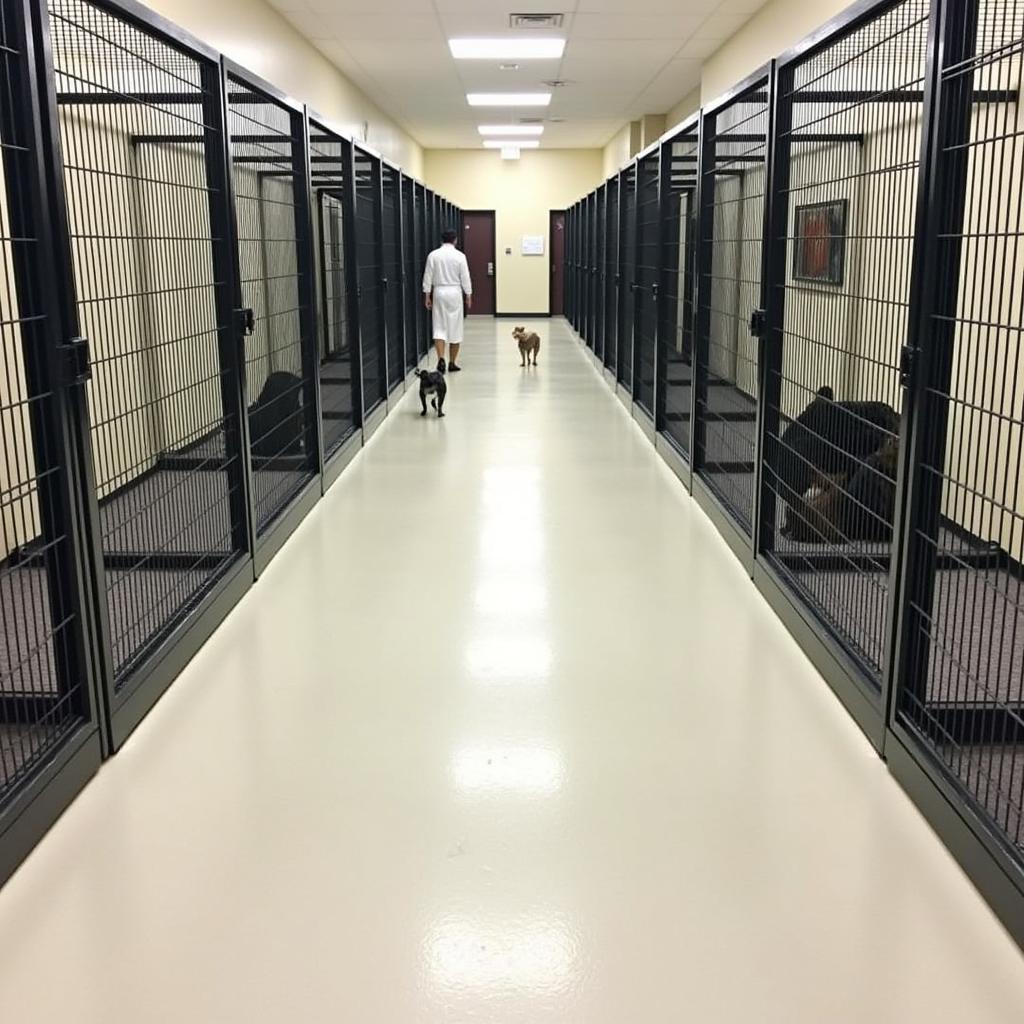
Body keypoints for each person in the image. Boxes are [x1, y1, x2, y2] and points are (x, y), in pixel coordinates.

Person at [422, 228, 472, 372]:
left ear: (441, 240)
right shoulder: (460, 256)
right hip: (455, 292)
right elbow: (465, 276)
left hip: (439, 291)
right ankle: (452, 363)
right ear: (455, 240)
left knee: (439, 326)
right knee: (455, 327)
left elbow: (428, 276)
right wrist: (468, 294)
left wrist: (427, 295)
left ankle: (441, 359)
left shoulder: (433, 255)